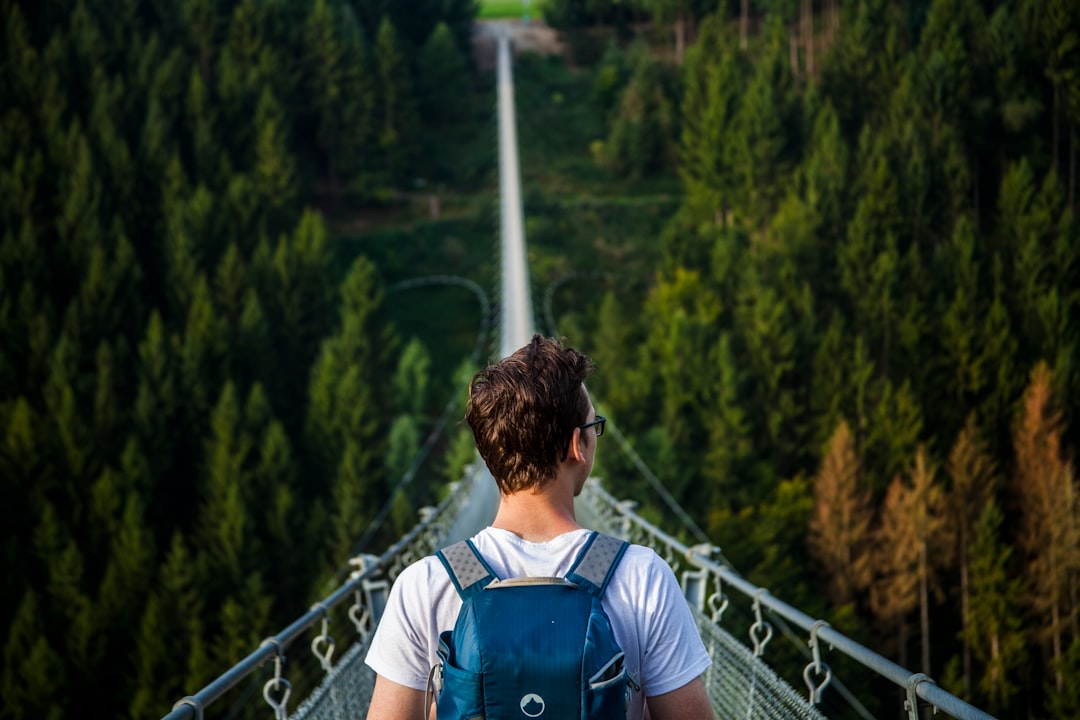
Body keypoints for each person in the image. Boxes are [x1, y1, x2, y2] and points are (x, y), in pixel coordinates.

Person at [365, 335, 714, 720]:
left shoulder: (424, 584)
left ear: (488, 451)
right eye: (593, 426)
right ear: (576, 445)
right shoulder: (642, 576)